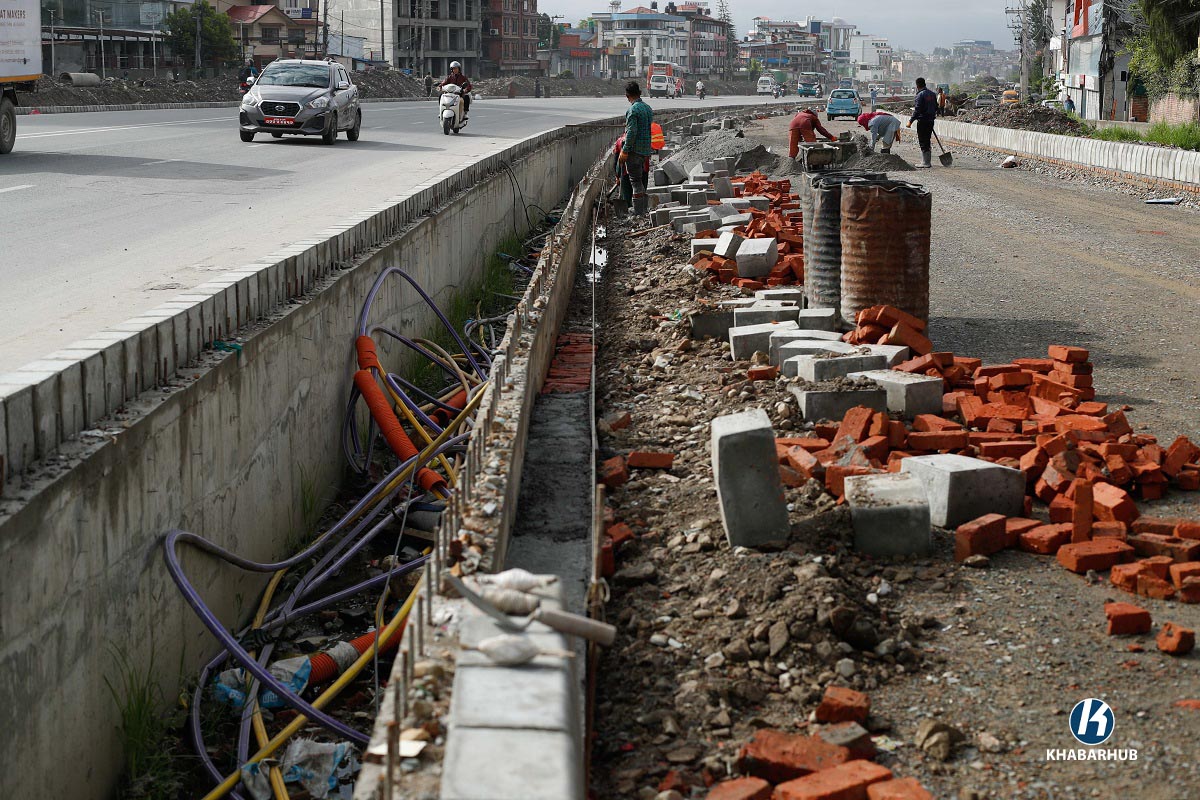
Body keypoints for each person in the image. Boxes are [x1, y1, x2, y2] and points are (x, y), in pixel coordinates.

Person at [619, 80, 653, 216]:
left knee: (635, 181)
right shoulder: (647, 108)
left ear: (627, 95)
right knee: (640, 179)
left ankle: (638, 212)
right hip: (645, 150)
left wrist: (625, 150)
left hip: (634, 151)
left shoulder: (632, 110)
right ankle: (643, 209)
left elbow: (632, 132)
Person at [906, 77, 938, 168]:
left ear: (917, 86)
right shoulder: (932, 94)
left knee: (923, 141)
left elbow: (917, 110)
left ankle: (926, 162)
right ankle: (927, 161)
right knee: (927, 140)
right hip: (930, 121)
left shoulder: (920, 95)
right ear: (925, 84)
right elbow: (936, 107)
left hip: (923, 121)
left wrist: (910, 121)